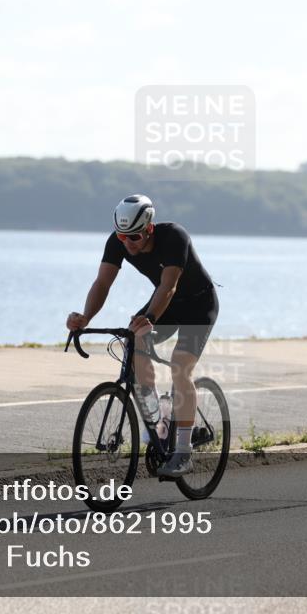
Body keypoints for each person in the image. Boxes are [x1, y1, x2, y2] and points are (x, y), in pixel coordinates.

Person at [66, 194, 219, 477]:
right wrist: (86, 317)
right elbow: (102, 283)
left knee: (179, 368)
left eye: (134, 237)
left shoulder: (174, 236)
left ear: (149, 228)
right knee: (132, 342)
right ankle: (159, 422)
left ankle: (183, 453)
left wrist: (148, 318)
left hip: (198, 305)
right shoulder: (119, 241)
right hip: (167, 305)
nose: (128, 243)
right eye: (123, 237)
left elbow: (169, 286)